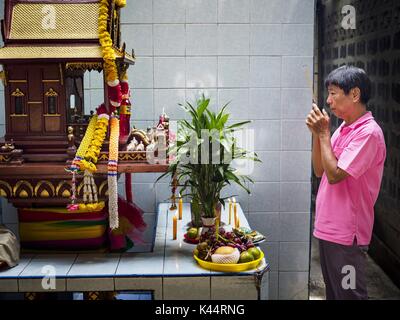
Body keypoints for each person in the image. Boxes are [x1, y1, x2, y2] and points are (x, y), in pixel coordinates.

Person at [306, 65, 386, 300]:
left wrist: (323, 134)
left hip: (347, 235)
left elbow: (335, 174)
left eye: (333, 93)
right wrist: (317, 135)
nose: (328, 101)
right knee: (336, 294)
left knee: (349, 295)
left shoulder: (368, 133)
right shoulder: (344, 128)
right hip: (329, 229)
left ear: (354, 94)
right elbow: (320, 170)